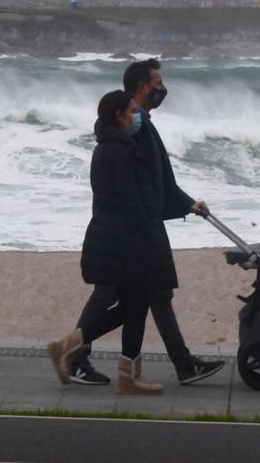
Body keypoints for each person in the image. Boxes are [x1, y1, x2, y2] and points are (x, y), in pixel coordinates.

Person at [67, 59, 225, 387]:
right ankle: (75, 356)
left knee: (152, 294)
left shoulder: (136, 126)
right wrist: (148, 229)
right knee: (119, 295)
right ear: (142, 88)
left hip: (136, 230)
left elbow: (157, 180)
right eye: (157, 84)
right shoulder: (128, 132)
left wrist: (185, 203)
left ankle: (179, 365)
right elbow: (137, 188)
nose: (162, 90)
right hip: (131, 234)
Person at [47, 90, 169, 395]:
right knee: (134, 305)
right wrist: (147, 236)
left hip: (115, 239)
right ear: (119, 115)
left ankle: (119, 372)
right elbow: (130, 201)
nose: (136, 116)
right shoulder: (119, 151)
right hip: (124, 243)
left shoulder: (109, 147)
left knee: (134, 305)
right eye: (132, 111)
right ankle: (73, 349)